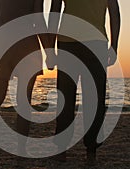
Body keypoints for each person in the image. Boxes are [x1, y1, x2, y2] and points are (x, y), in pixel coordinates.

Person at [47, 0, 121, 162]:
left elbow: (54, 11)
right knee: (94, 98)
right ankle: (91, 150)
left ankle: (62, 149)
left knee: (66, 97)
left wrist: (50, 48)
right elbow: (114, 12)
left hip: (70, 41)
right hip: (93, 42)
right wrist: (114, 45)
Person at [0, 0, 52, 156]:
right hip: (27, 44)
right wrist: (49, 51)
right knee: (24, 101)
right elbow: (38, 19)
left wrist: (0, 43)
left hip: (2, 42)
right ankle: (21, 149)